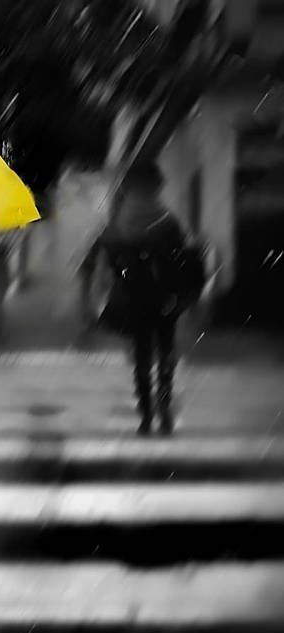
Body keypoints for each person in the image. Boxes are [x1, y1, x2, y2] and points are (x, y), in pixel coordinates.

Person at [88, 166, 193, 436]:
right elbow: (182, 260)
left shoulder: (121, 222)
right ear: (155, 188)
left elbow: (107, 258)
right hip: (165, 297)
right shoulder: (168, 221)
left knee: (142, 354)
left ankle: (146, 414)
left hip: (134, 296)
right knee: (166, 351)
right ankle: (165, 407)